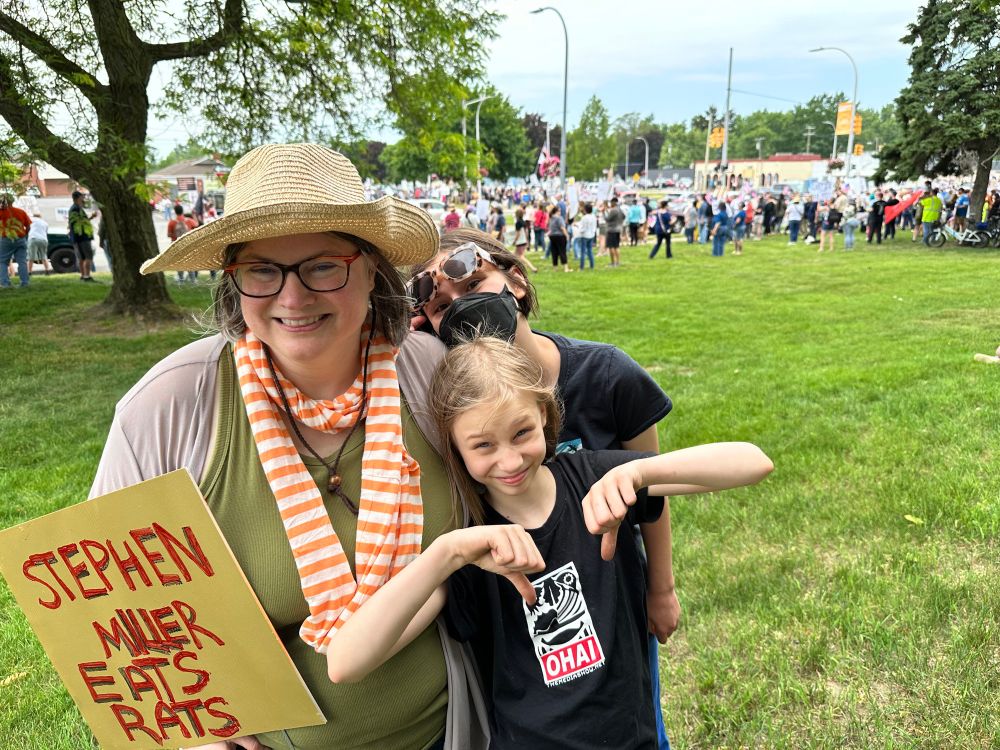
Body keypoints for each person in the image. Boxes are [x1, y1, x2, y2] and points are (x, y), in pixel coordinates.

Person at [90, 143, 490, 750]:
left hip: (446, 733)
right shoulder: (169, 408)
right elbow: (112, 615)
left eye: (323, 265)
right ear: (234, 279)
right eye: (261, 270)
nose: (293, 297)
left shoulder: (430, 374)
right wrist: (191, 735)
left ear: (371, 268)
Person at [324, 336, 774, 749]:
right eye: (482, 446)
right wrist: (447, 553)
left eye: (522, 433)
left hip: (630, 738)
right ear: (454, 448)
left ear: (544, 413)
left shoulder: (595, 479)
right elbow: (346, 662)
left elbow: (753, 464)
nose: (510, 459)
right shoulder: (469, 550)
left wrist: (642, 471)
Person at [406, 228, 681, 750]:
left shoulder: (607, 375)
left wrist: (660, 588)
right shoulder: (457, 410)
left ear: (516, 280)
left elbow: (655, 484)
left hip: (611, 592)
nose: (464, 307)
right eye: (442, 306)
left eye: (474, 284)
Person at [0, 193, 31, 288]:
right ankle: (24, 283)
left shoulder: (1, 212)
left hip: (6, 239)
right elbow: (28, 226)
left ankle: (5, 283)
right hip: (20, 239)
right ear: (12, 201)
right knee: (22, 261)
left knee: (2, 261)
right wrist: (24, 235)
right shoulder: (21, 212)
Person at [68, 190, 96, 282]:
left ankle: (83, 276)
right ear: (77, 198)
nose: (83, 199)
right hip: (82, 237)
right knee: (88, 256)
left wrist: (90, 218)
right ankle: (87, 276)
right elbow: (79, 223)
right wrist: (90, 218)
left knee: (82, 258)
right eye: (82, 197)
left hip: (77, 238)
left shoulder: (75, 208)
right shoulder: (75, 209)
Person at [167, 204, 199, 282]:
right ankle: (193, 280)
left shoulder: (172, 222)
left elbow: (168, 235)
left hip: (176, 245)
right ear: (182, 211)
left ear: (175, 212)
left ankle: (181, 280)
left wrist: (175, 235)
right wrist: (194, 215)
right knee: (189, 262)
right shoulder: (189, 221)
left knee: (179, 262)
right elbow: (197, 225)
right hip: (187, 244)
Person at [512, 207, 537, 273]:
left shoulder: (518, 223)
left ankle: (533, 268)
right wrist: (527, 241)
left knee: (521, 256)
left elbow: (518, 233)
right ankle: (517, 269)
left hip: (520, 241)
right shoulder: (524, 222)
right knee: (515, 255)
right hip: (524, 241)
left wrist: (514, 241)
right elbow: (526, 232)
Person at [546, 205, 570, 272]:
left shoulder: (551, 218)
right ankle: (566, 268)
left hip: (552, 236)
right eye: (559, 211)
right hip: (560, 236)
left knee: (554, 252)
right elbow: (562, 228)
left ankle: (555, 268)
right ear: (557, 211)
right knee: (562, 251)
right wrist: (567, 235)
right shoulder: (559, 218)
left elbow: (549, 227)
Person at [27, 210, 51, 275]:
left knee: (31, 256)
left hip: (33, 238)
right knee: (44, 256)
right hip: (43, 239)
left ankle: (29, 272)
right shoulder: (45, 223)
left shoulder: (32, 219)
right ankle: (47, 270)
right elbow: (46, 232)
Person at [604, 198, 625, 267]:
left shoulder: (613, 210)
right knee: (616, 246)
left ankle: (613, 262)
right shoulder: (620, 209)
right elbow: (624, 216)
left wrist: (603, 213)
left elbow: (608, 219)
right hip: (618, 229)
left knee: (611, 247)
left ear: (613, 202)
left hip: (611, 230)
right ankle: (618, 262)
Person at [576, 203, 597, 270]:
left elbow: (582, 228)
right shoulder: (594, 217)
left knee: (583, 251)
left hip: (584, 235)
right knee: (590, 250)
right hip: (591, 235)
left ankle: (581, 267)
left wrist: (578, 228)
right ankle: (592, 265)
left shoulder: (584, 218)